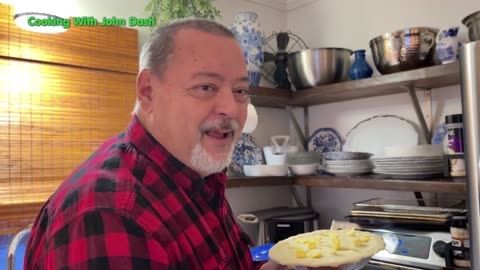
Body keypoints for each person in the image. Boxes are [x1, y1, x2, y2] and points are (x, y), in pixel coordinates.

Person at [24, 18, 303, 270]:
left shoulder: (197, 173)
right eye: (205, 87)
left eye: (240, 91)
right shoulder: (112, 215)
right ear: (148, 91)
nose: (232, 108)